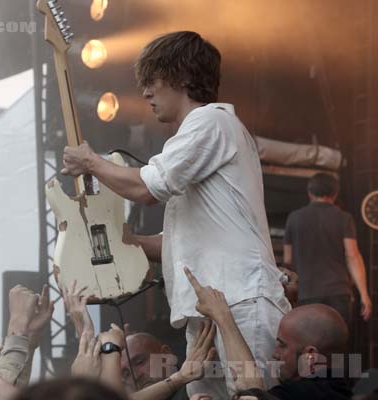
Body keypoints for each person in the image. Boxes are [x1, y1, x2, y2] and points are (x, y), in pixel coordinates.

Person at [61, 30, 289, 398]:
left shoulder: (210, 122)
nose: (146, 93)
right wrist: (128, 243)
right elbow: (184, 239)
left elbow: (148, 188)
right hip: (207, 311)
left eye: (152, 80)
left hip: (240, 302)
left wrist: (91, 162)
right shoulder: (201, 136)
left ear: (181, 77)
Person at [186, 267, 355, 400]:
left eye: (282, 344)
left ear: (310, 356)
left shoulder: (309, 393)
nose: (274, 354)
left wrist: (223, 317)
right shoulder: (334, 386)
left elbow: (250, 394)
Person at [283, 172, 372, 325]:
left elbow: (287, 260)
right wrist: (364, 294)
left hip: (305, 294)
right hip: (338, 293)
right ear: (335, 194)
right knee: (337, 345)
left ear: (310, 192)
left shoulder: (294, 218)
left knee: (307, 344)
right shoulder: (344, 218)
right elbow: (353, 256)